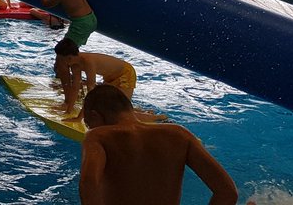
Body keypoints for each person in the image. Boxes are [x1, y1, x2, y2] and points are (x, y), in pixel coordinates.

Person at [80, 85, 237, 205]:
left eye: (89, 124)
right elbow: (228, 192)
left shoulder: (98, 136)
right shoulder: (179, 134)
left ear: (95, 115)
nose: (90, 128)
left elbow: (89, 183)